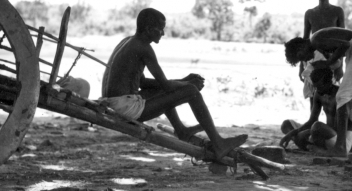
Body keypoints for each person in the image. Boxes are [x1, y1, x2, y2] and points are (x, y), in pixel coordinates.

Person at [99, 8, 247, 161]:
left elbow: (142, 82)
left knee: (172, 91)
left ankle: (181, 130)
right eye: (160, 29)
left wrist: (183, 80)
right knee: (192, 91)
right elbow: (166, 86)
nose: (163, 33)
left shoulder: (129, 42)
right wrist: (187, 83)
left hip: (115, 103)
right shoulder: (144, 47)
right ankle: (219, 143)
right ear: (149, 29)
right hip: (125, 108)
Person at [285, 27, 352, 157]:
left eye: (302, 57)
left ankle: (341, 147)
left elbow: (345, 45)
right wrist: (327, 62)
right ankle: (349, 145)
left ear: (301, 47)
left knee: (343, 96)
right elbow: (336, 57)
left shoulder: (315, 40)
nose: (305, 60)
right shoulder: (318, 45)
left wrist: (328, 61)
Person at [280, 67, 352, 152]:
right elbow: (312, 120)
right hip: (325, 135)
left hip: (342, 142)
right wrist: (292, 133)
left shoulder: (341, 95)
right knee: (286, 125)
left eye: (320, 87)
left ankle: (316, 148)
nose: (317, 90)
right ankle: (316, 148)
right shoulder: (318, 94)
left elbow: (351, 124)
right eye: (315, 87)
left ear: (329, 82)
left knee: (316, 127)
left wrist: (311, 132)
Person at [300, 0, 345, 99]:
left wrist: (340, 66)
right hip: (314, 59)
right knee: (313, 95)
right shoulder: (310, 13)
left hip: (333, 58)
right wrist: (301, 66)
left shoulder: (337, 11)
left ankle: (332, 118)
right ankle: (314, 118)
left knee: (333, 95)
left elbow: (343, 41)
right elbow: (305, 41)